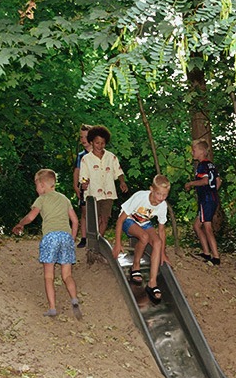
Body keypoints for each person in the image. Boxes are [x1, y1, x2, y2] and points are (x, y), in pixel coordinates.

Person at [12, 168, 83, 319]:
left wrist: (20, 224)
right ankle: (75, 299)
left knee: (49, 276)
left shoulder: (42, 199)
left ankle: (52, 308)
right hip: (66, 237)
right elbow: (75, 221)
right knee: (67, 275)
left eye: (36, 185)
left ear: (43, 185)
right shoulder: (64, 199)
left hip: (50, 237)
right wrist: (72, 238)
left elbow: (31, 217)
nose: (36, 188)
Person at [113, 175, 170, 304]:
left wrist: (162, 253)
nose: (161, 198)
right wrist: (118, 243)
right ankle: (135, 265)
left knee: (158, 243)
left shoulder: (162, 205)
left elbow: (161, 231)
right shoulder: (140, 197)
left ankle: (152, 282)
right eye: (158, 194)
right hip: (129, 220)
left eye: (164, 195)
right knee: (144, 237)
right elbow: (120, 220)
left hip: (144, 222)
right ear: (151, 189)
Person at [80, 125, 128, 236]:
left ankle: (99, 241)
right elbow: (83, 176)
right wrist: (84, 184)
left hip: (109, 194)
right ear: (91, 142)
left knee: (105, 219)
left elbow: (119, 172)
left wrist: (122, 182)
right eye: (97, 143)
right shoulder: (86, 159)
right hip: (93, 194)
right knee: (94, 220)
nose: (100, 146)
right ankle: (92, 244)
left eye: (102, 143)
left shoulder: (111, 157)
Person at [184, 137, 221, 265]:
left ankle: (215, 257)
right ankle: (206, 252)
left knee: (207, 227)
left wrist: (190, 183)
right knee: (196, 226)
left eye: (194, 150)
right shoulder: (211, 165)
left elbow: (205, 181)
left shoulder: (202, 165)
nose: (192, 152)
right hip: (211, 199)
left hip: (206, 200)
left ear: (201, 152)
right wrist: (213, 192)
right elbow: (218, 181)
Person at [72, 124, 92, 248]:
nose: (83, 140)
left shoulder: (99, 154)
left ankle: (97, 237)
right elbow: (76, 171)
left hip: (97, 188)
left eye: (86, 137)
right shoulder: (81, 155)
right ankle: (84, 238)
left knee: (98, 213)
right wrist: (75, 186)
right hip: (84, 188)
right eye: (81, 137)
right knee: (84, 212)